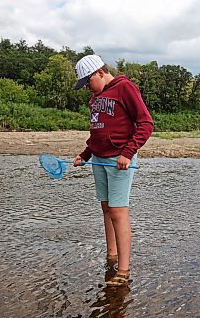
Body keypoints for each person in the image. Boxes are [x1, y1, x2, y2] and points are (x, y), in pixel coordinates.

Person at [72, 54, 154, 287]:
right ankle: (111, 255)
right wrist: (85, 154)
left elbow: (146, 124)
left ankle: (124, 270)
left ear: (99, 72)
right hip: (99, 158)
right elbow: (97, 132)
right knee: (106, 208)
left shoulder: (124, 87)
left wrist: (127, 153)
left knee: (118, 211)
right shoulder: (95, 98)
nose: (87, 87)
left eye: (88, 82)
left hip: (119, 159)